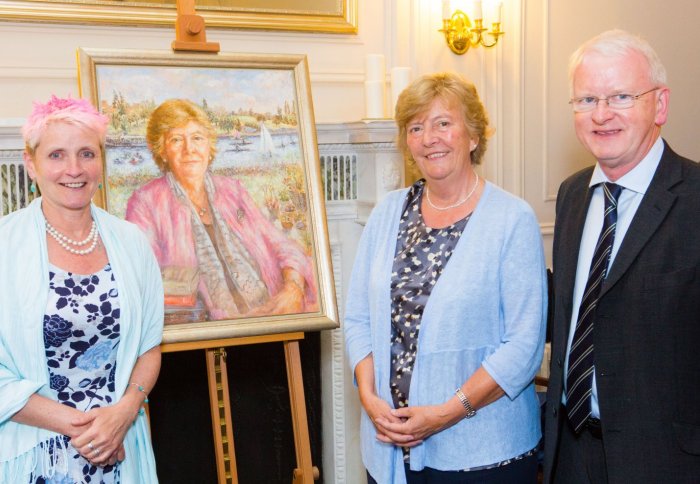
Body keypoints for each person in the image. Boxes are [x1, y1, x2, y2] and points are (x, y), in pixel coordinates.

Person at [344, 72, 547, 483]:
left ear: (473, 136)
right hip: (389, 449)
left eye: (443, 123)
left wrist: (445, 413)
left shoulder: (512, 219)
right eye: (416, 127)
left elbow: (523, 348)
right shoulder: (386, 213)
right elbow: (358, 319)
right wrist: (368, 397)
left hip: (483, 455)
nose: (429, 137)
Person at [543, 29, 700, 483]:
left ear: (661, 105)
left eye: (621, 96)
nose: (602, 114)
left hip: (667, 463)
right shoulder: (573, 195)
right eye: (587, 99)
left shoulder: (693, 200)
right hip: (570, 455)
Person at [0, 96, 163, 482]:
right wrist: (87, 429)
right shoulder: (4, 246)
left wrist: (124, 412)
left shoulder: (132, 241)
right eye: (56, 155)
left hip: (122, 451)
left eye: (86, 153)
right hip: (35, 457)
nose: (74, 169)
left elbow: (150, 346)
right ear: (30, 163)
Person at [125, 99, 317, 322]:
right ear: (162, 150)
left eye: (197, 138)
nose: (190, 149)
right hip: (201, 334)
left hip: (269, 319)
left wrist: (293, 288)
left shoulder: (232, 190)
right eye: (177, 140)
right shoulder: (145, 203)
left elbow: (281, 244)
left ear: (209, 145)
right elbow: (144, 282)